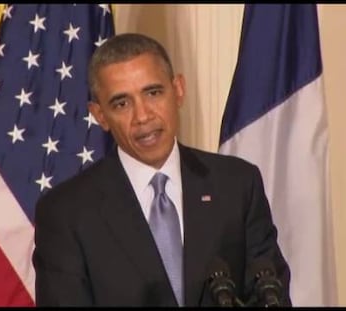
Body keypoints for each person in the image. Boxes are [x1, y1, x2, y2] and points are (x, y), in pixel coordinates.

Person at [32, 32, 291, 307]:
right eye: (122, 103)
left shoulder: (236, 185)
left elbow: (272, 293)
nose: (143, 116)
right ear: (100, 115)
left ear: (178, 89)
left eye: (153, 93)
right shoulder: (66, 213)